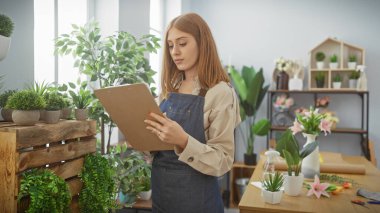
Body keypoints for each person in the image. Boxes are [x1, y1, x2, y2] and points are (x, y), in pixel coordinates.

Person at [144, 13, 241, 213]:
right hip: (162, 199)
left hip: (198, 203)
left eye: (182, 43)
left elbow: (223, 161)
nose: (175, 52)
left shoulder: (220, 92)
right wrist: (142, 140)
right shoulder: (168, 92)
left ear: (202, 43)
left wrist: (183, 141)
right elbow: (156, 151)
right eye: (170, 46)